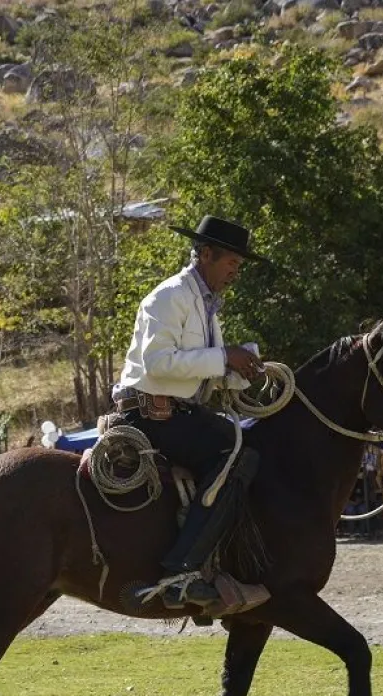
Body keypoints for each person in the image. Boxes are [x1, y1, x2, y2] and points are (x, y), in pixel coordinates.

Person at [111, 215, 268, 610]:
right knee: (237, 453)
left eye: (239, 265)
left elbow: (200, 373)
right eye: (231, 261)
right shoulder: (169, 297)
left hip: (177, 412)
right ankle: (182, 570)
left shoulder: (206, 307)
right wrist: (223, 357)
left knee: (242, 444)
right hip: (150, 415)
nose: (236, 271)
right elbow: (159, 364)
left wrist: (241, 369)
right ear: (206, 254)